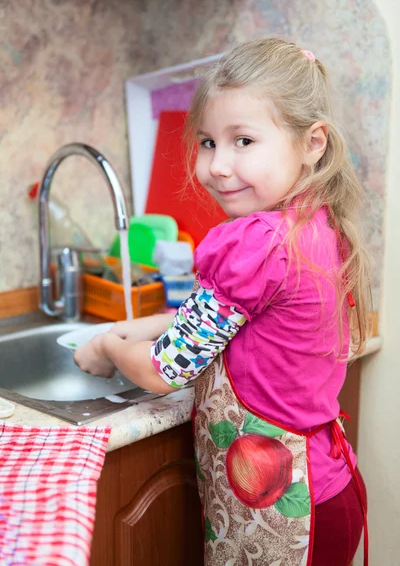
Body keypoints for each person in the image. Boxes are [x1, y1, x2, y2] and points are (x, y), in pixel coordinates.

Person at [75, 37, 371, 566]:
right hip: (327, 492)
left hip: (289, 522)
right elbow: (217, 320)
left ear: (313, 142)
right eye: (209, 142)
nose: (217, 165)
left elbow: (165, 370)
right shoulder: (315, 223)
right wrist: (132, 328)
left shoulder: (257, 241)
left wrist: (108, 348)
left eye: (244, 141)